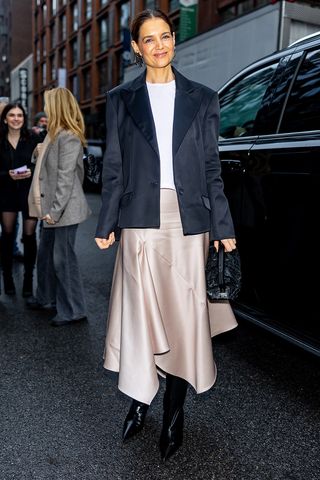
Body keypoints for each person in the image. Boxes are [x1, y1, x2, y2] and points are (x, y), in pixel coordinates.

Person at [95, 9, 238, 461]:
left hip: (187, 222)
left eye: (166, 36)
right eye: (149, 39)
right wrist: (106, 225)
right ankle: (139, 401)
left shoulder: (203, 98)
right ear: (136, 48)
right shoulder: (120, 99)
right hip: (139, 220)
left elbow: (212, 169)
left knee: (181, 318)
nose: (160, 45)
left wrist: (223, 227)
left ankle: (174, 415)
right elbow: (114, 169)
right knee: (142, 317)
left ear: (174, 40)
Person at [27, 87, 91, 327]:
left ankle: (74, 309)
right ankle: (45, 297)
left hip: (63, 209)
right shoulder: (53, 133)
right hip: (51, 206)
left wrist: (53, 212)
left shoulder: (69, 136)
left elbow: (66, 178)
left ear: (57, 106)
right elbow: (45, 165)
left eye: (47, 104)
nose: (44, 108)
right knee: (46, 256)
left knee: (63, 260)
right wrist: (36, 154)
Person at [0, 103, 40, 296]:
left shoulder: (33, 138)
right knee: (7, 236)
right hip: (6, 192)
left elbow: (41, 164)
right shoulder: (0, 140)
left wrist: (31, 171)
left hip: (29, 192)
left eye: (20, 115)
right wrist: (7, 174)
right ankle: (7, 279)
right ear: (5, 118)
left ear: (24, 119)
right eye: (12, 115)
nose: (16, 118)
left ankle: (28, 281)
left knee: (30, 236)